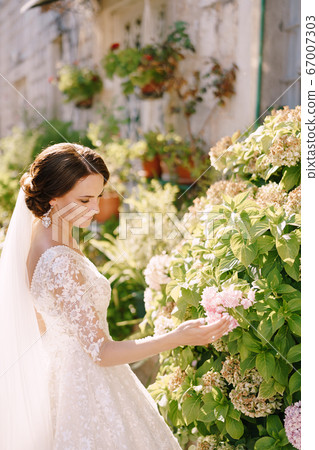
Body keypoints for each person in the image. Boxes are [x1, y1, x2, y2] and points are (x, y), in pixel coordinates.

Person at [0, 143, 231, 450]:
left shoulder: (44, 236)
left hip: (65, 378)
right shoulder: (58, 260)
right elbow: (100, 352)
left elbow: (43, 321)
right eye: (84, 199)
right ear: (53, 197)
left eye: (98, 196)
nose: (95, 208)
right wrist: (177, 336)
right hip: (87, 386)